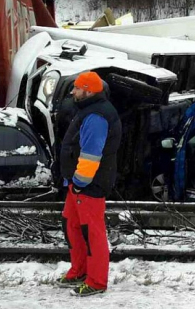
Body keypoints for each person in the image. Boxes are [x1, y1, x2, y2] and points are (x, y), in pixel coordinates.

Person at [55, 71, 122, 297]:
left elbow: (91, 154)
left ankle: (96, 281)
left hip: (88, 184)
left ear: (88, 91)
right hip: (78, 182)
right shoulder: (88, 110)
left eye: (76, 88)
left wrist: (80, 182)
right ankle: (79, 270)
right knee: (71, 225)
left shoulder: (96, 117)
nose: (73, 91)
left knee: (92, 233)